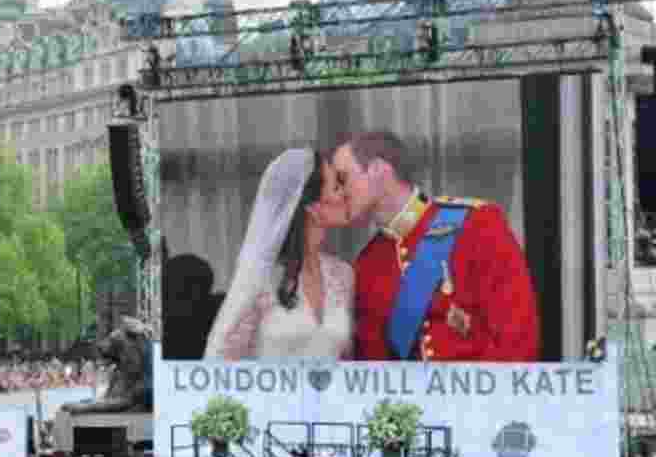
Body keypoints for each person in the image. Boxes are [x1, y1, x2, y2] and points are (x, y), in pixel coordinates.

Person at [312, 131, 540, 361]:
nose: (338, 193)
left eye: (343, 179)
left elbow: (517, 338)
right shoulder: (369, 263)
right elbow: (376, 367)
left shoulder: (476, 225)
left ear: (378, 169)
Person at [204, 147, 354, 360]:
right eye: (336, 187)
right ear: (311, 206)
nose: (345, 194)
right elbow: (216, 359)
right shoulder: (260, 275)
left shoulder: (343, 274)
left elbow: (350, 367)